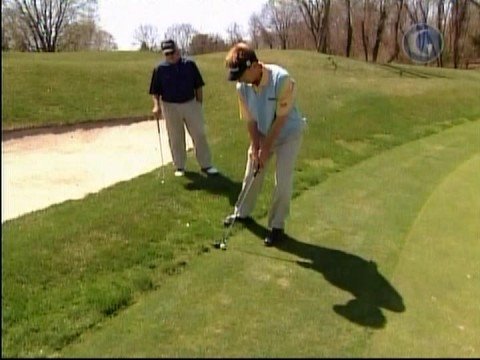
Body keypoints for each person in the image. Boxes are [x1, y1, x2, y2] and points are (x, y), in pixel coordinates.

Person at [224, 42, 306, 246]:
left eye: (242, 74)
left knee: (283, 181)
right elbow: (250, 119)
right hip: (261, 132)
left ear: (253, 66)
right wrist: (255, 147)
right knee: (252, 171)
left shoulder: (282, 79)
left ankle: (277, 226)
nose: (240, 80)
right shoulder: (242, 86)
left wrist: (266, 148)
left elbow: (281, 120)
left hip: (288, 133)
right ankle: (241, 212)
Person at [149, 39, 219, 177]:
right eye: (168, 54)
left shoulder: (189, 65)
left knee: (199, 134)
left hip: (190, 103)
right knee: (175, 138)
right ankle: (179, 166)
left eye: (173, 52)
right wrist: (156, 106)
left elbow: (198, 85)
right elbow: (155, 91)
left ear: (178, 50)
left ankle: (206, 165)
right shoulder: (160, 69)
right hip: (169, 106)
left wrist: (199, 104)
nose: (171, 56)